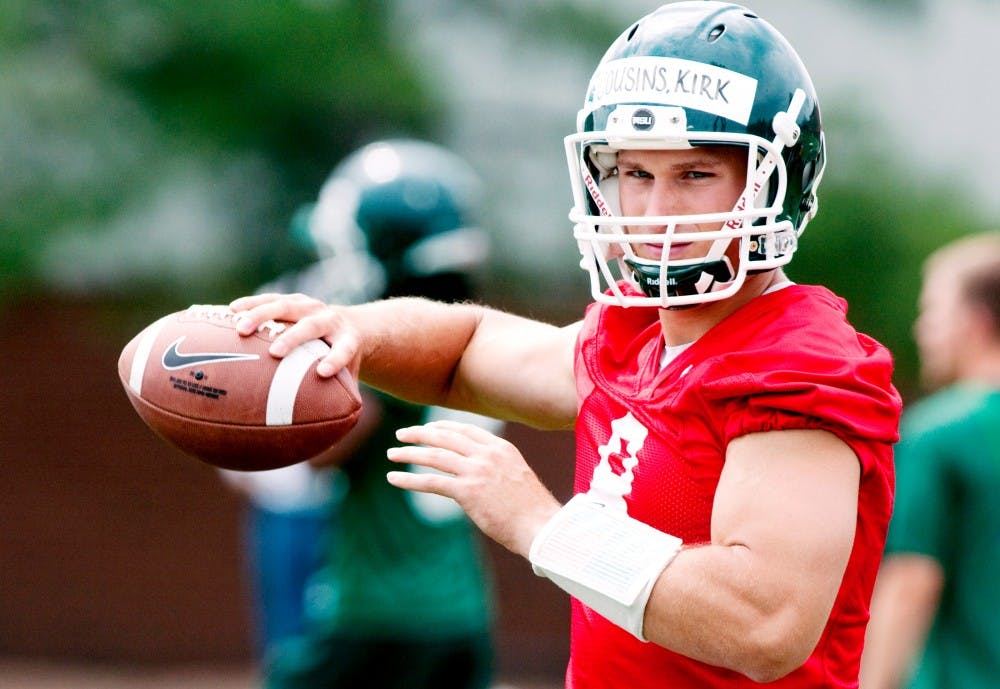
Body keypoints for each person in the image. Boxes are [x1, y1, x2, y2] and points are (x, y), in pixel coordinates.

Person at [230, 3, 902, 687]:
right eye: (635, 174)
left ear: (775, 180)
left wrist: (543, 526)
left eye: (694, 175)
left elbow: (763, 623)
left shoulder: (799, 361)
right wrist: (355, 330)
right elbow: (466, 348)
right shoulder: (638, 331)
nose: (652, 212)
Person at [228, 139, 501, 689]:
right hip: (461, 609)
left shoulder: (384, 367)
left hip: (377, 613)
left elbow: (311, 463)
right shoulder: (478, 348)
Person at [859, 232, 1000, 689]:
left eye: (933, 311)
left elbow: (911, 583)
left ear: (974, 321)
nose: (922, 329)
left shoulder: (940, 434)